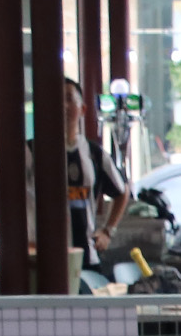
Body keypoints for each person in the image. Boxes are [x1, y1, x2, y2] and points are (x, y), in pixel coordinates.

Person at [17, 79, 128, 273]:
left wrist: (108, 231)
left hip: (86, 257)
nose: (63, 106)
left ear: (82, 109)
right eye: (56, 100)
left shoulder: (94, 153)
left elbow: (122, 191)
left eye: (69, 99)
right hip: (41, 260)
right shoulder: (31, 151)